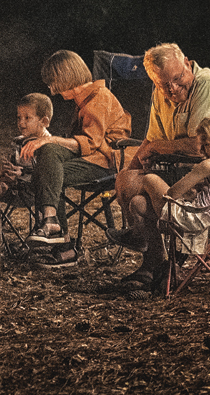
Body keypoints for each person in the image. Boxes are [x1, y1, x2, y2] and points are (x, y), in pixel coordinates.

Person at [103, 111, 210, 297]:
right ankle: (158, 264)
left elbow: (173, 193)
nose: (202, 151)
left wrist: (180, 189)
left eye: (206, 145)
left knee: (150, 179)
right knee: (138, 203)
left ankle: (138, 237)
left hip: (193, 221)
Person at [113, 43, 210, 225]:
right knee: (128, 185)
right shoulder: (160, 95)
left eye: (178, 78)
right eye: (164, 84)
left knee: (145, 188)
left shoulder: (207, 84)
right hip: (181, 172)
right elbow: (151, 139)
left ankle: (152, 239)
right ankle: (148, 246)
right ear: (155, 82)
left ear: (187, 64)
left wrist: (156, 148)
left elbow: (199, 147)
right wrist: (132, 170)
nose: (173, 88)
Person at [27, 49, 132, 267]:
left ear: (65, 76)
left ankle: (61, 242)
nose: (52, 89)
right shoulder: (83, 100)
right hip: (91, 157)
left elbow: (90, 142)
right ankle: (53, 225)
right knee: (49, 158)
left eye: (53, 82)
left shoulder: (99, 98)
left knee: (49, 168)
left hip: (107, 162)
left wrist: (51, 140)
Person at [0, 93, 53, 196]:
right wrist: (6, 170)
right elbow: (13, 165)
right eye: (19, 118)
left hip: (28, 190)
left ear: (44, 121)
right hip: (11, 184)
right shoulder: (18, 140)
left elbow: (47, 176)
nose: (21, 123)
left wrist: (21, 174)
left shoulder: (49, 145)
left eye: (27, 118)